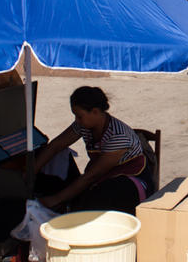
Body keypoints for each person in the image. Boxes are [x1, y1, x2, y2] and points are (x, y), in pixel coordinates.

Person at [33, 86, 153, 215]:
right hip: (101, 176)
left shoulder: (119, 137)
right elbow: (56, 145)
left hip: (130, 182)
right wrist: (32, 171)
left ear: (95, 112)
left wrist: (56, 199)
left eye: (79, 116)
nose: (76, 120)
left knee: (94, 201)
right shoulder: (83, 125)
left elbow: (91, 176)